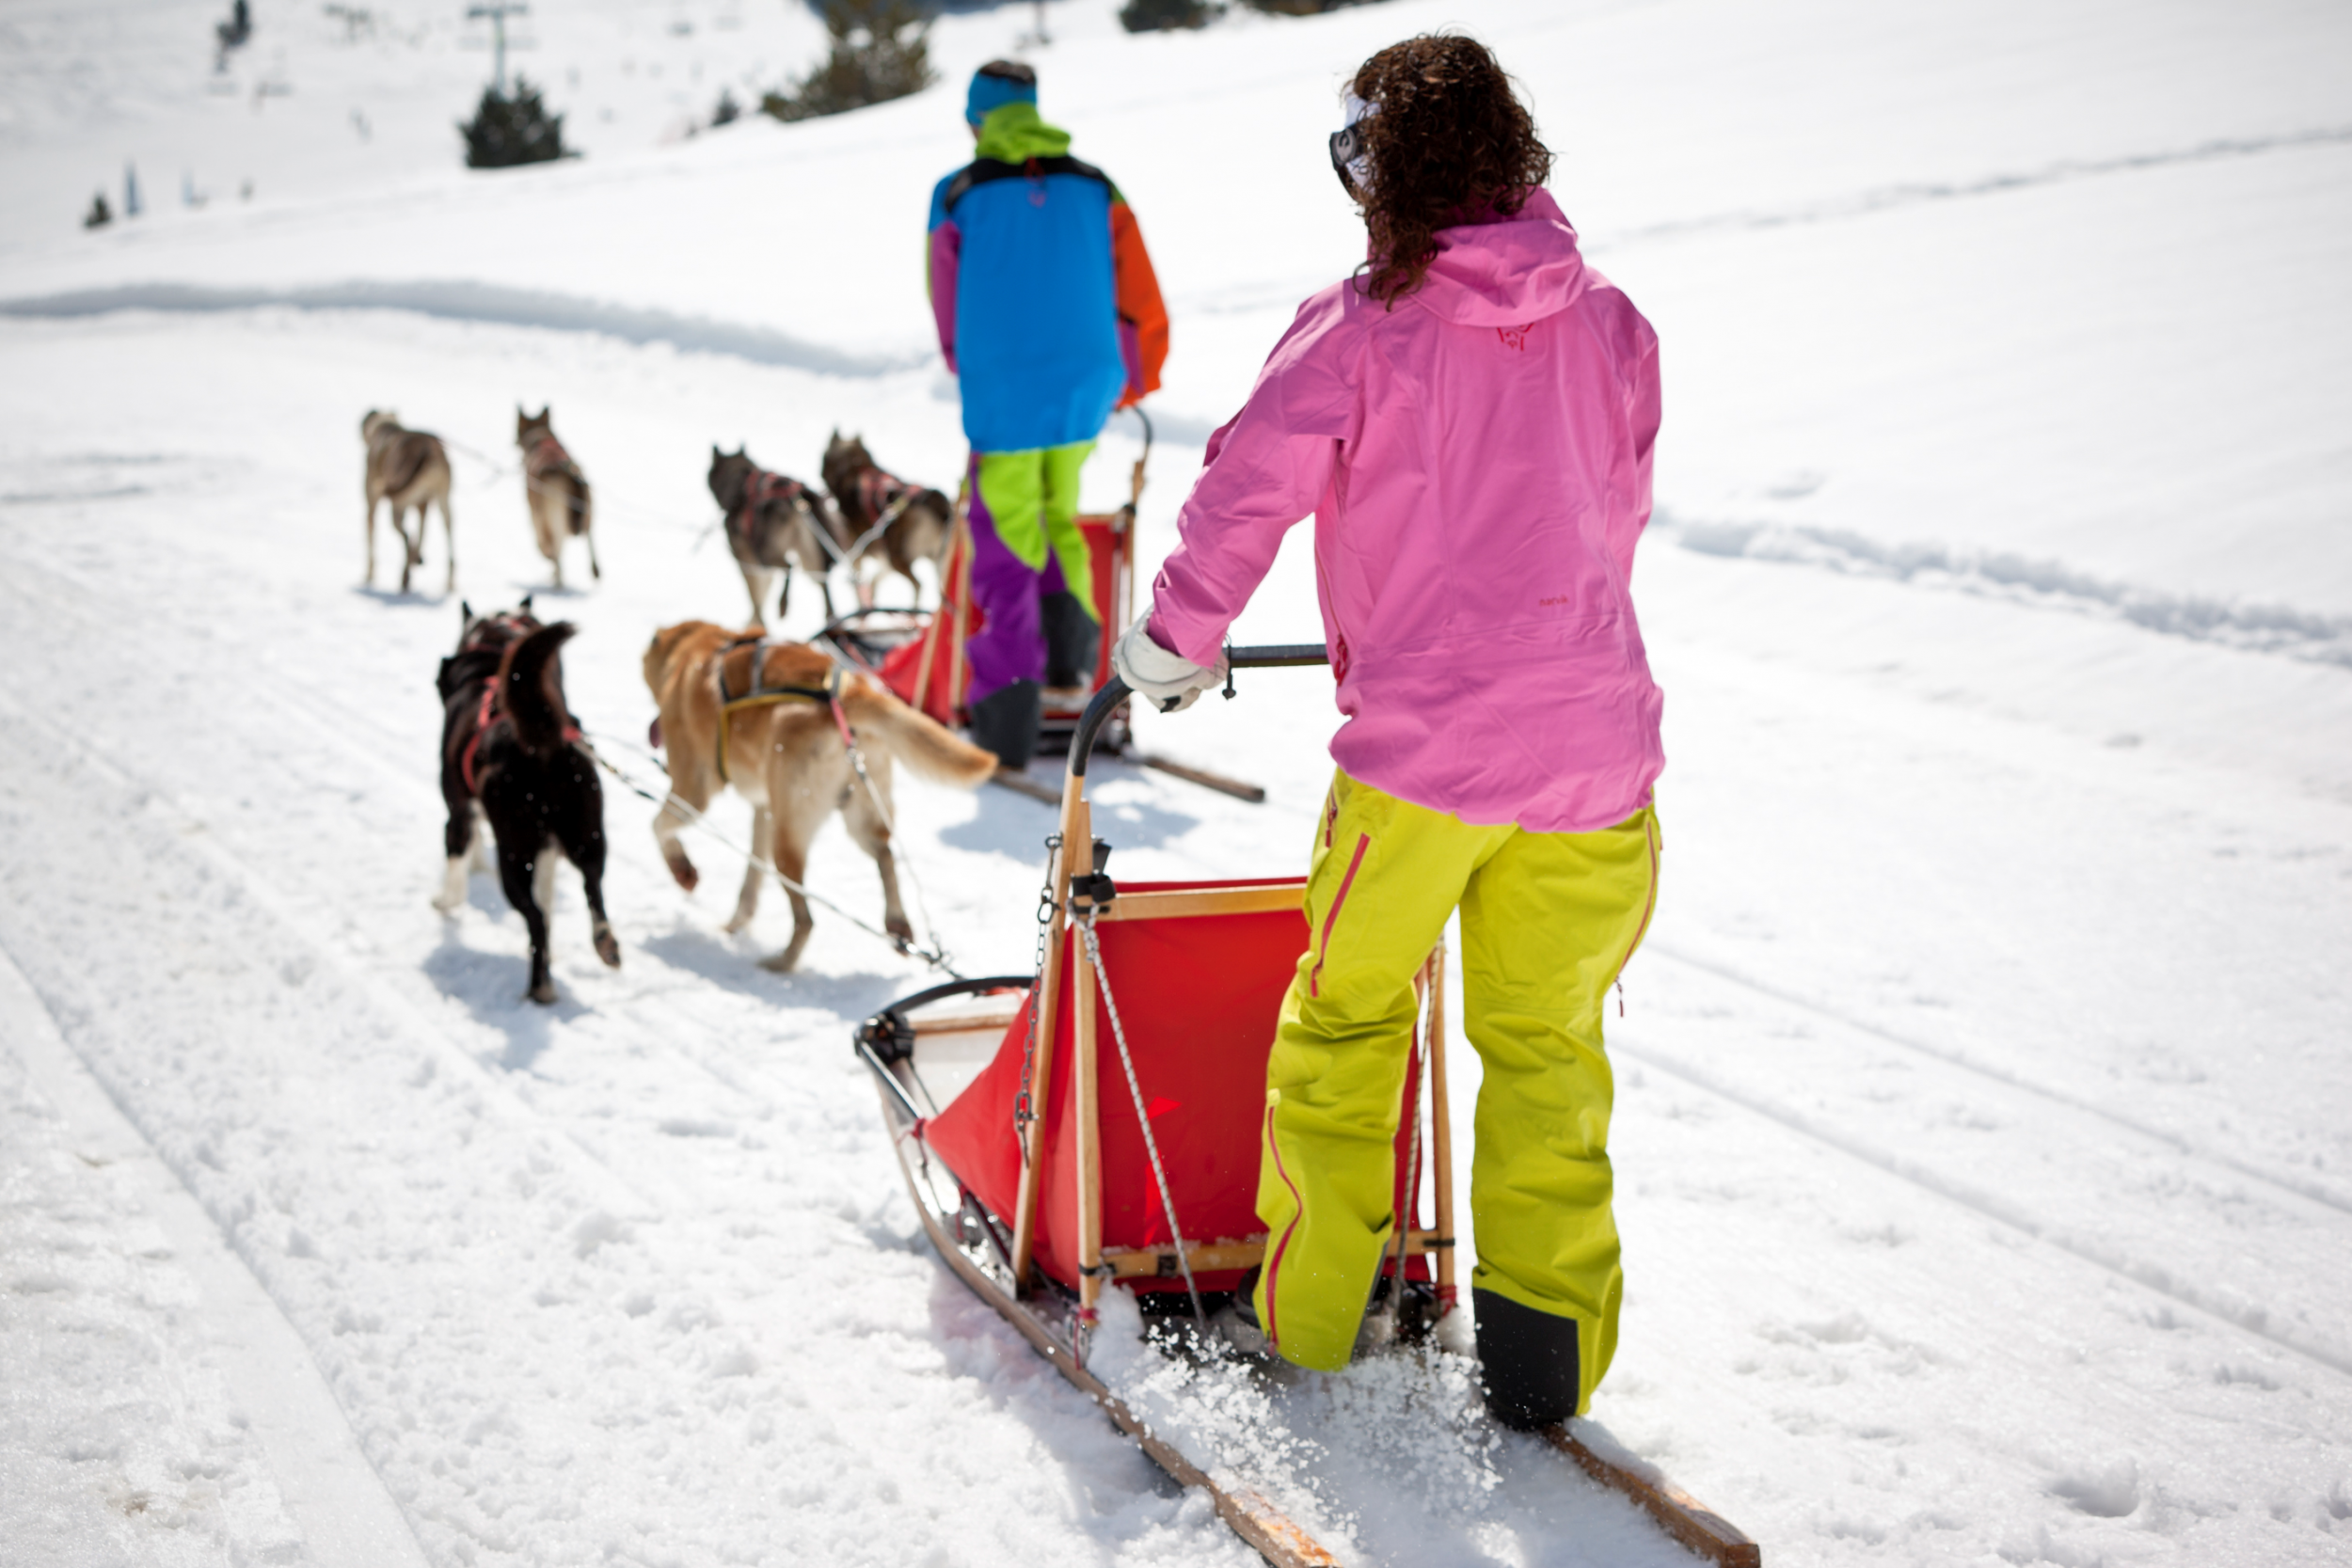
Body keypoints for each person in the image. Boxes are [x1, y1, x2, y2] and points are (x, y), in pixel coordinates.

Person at [1110, 34, 1664, 1432]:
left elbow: (1245, 493)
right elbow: (1613, 512)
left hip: (1425, 762)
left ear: (1383, 169)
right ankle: (1543, 1364)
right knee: (1547, 1044)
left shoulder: (1361, 327)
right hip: (1597, 754)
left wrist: (1175, 643)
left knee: (1347, 1015)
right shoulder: (1611, 322)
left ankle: (1308, 1317)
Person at [927, 59, 1169, 768]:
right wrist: (1133, 370)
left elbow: (945, 295)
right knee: (1057, 510)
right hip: (1088, 381)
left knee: (1003, 536)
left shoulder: (960, 191)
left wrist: (964, 363)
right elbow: (1138, 281)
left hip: (1005, 383)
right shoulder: (1096, 184)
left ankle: (1007, 714)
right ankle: (1071, 664)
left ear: (976, 118)